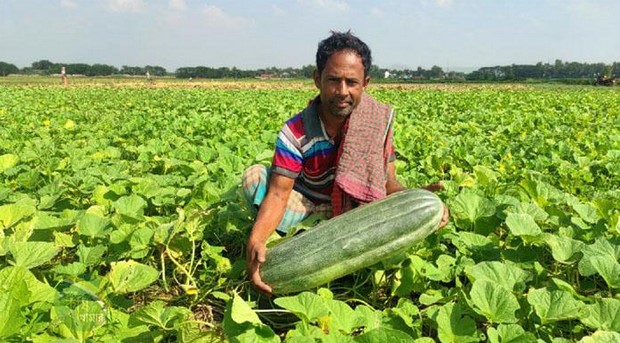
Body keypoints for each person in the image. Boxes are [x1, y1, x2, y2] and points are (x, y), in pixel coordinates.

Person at [243, 30, 450, 294]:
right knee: (255, 179)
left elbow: (388, 183)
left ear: (365, 83)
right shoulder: (295, 131)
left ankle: (329, 249)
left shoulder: (375, 123)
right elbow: (277, 192)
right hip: (307, 208)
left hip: (355, 210)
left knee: (415, 216)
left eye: (351, 82)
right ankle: (296, 244)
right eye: (333, 80)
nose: (342, 91)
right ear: (317, 80)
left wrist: (414, 197)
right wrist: (256, 239)